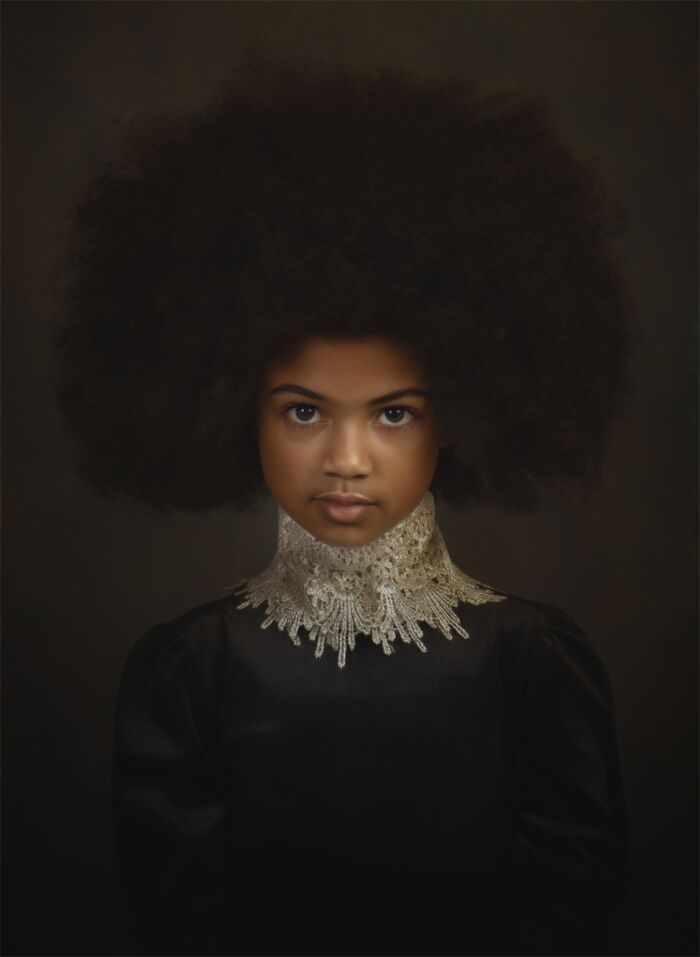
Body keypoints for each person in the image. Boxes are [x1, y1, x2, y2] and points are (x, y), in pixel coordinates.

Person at [52, 58, 631, 956]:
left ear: (465, 417)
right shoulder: (188, 670)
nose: (347, 459)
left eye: (394, 413)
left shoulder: (534, 663)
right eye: (304, 410)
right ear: (231, 409)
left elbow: (572, 920)